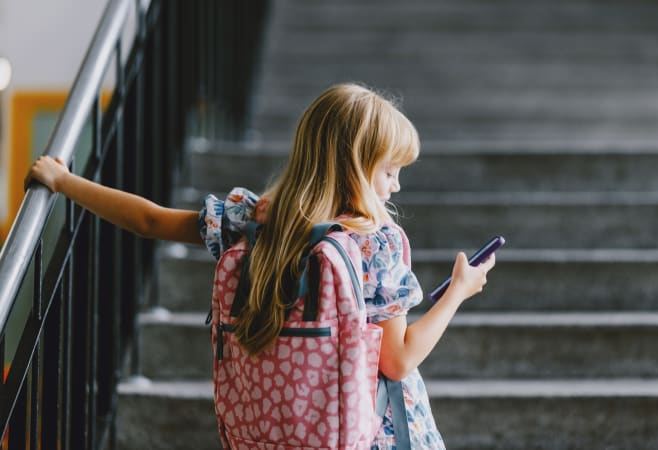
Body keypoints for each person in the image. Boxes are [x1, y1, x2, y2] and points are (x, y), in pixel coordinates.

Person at [27, 82, 495, 449]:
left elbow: (150, 220)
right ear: (355, 165)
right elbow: (398, 359)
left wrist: (64, 181)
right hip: (373, 432)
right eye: (389, 171)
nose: (395, 187)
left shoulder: (253, 221)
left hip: (276, 433)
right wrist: (458, 290)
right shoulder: (375, 241)